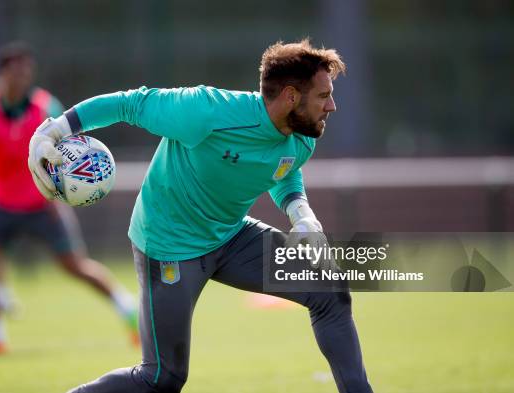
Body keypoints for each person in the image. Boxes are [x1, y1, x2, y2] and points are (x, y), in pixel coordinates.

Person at [28, 39, 373, 392]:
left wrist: (302, 215)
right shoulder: (207, 110)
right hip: (169, 246)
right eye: (323, 95)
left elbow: (283, 169)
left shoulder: (305, 134)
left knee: (329, 289)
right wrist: (54, 130)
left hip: (231, 236)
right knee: (162, 378)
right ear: (290, 96)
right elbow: (129, 104)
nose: (332, 105)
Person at [0, 41, 138, 357]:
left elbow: (71, 153)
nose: (22, 78)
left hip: (43, 205)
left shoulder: (45, 107)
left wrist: (65, 192)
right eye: (15, 71)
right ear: (1, 75)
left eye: (26, 71)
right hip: (0, 203)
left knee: (75, 265)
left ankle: (127, 308)